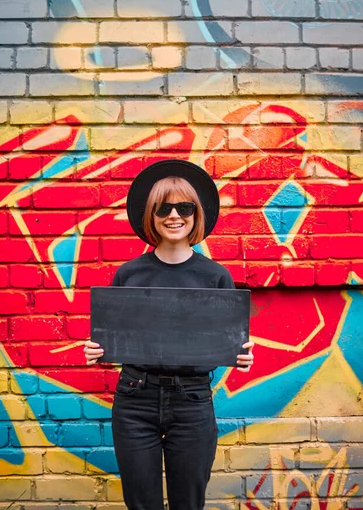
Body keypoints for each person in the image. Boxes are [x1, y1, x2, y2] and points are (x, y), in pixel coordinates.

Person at [84, 160, 254, 510]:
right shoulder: (129, 274)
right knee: (141, 502)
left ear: (196, 214)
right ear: (152, 215)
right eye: (164, 207)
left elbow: (226, 342)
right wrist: (97, 350)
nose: (174, 215)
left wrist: (240, 354)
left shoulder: (216, 277)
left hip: (191, 402)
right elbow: (114, 338)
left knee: (188, 502)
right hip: (135, 400)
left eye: (184, 207)